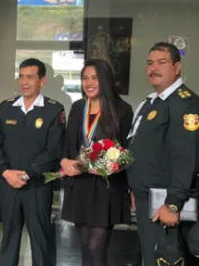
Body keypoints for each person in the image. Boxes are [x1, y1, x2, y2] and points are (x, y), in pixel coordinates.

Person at [125, 42, 199, 266]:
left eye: (162, 63)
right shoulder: (149, 103)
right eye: (150, 63)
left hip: (166, 202)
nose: (154, 68)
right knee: (150, 258)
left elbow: (186, 157)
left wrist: (173, 203)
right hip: (146, 199)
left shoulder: (186, 104)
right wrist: (134, 187)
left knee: (165, 260)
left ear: (177, 67)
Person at [0, 58, 65, 266]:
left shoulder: (53, 110)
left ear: (42, 81)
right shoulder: (6, 108)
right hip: (8, 184)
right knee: (9, 238)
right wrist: (4, 171)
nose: (24, 82)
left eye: (30, 77)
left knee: (41, 240)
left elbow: (54, 150)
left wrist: (27, 173)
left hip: (37, 186)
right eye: (21, 77)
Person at [59, 59, 134, 266]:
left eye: (95, 78)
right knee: (84, 245)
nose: (89, 82)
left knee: (96, 246)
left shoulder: (122, 110)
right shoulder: (77, 107)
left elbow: (125, 151)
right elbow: (67, 143)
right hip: (80, 186)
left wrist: (100, 166)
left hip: (105, 188)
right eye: (85, 78)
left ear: (106, 80)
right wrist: (65, 160)